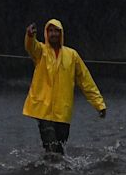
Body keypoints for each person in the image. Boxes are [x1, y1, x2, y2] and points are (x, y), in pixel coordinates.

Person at [23, 19, 106, 160]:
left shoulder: (72, 55)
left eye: (56, 31)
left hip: (63, 112)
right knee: (51, 147)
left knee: (60, 151)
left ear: (61, 33)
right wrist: (30, 36)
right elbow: (31, 47)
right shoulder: (41, 52)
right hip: (44, 110)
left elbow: (86, 81)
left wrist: (99, 104)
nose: (53, 34)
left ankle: (58, 174)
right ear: (46, 33)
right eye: (50, 31)